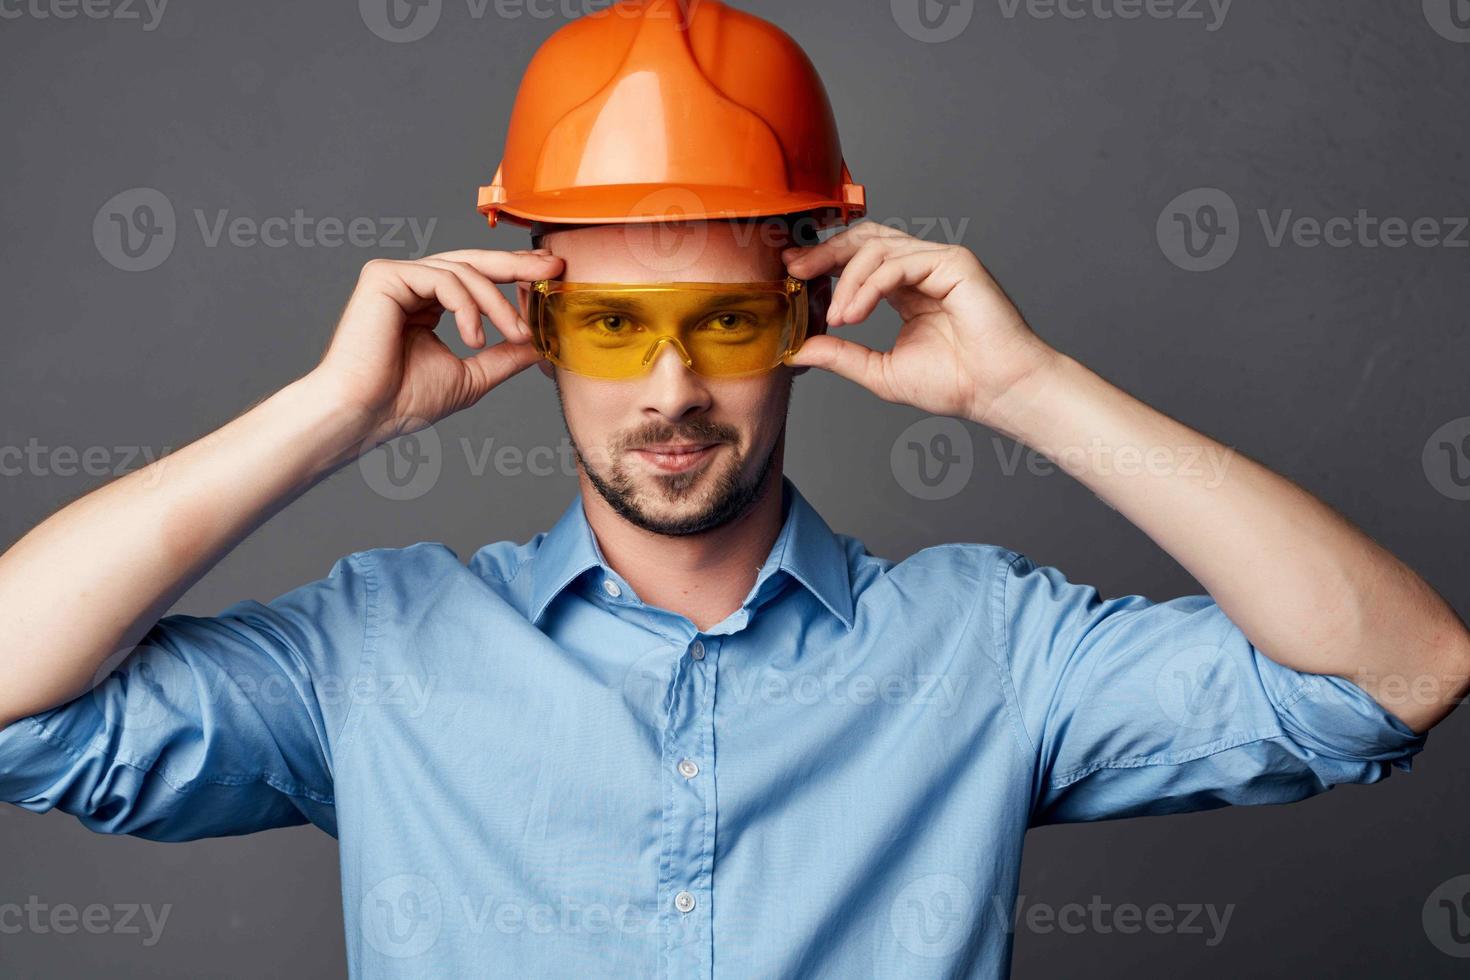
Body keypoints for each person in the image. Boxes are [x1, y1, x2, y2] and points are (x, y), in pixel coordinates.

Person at [2, 1, 1466, 977]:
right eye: (612, 326)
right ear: (536, 326)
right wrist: (331, 415)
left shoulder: (986, 650)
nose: (669, 390)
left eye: (726, 320)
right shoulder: (373, 653)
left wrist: (1026, 389)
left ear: (809, 314)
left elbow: (1399, 670)